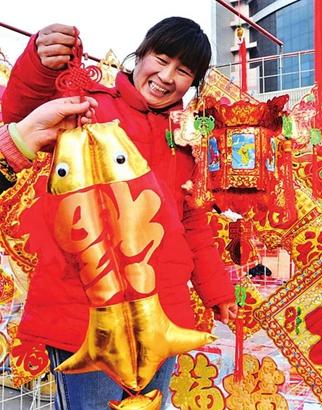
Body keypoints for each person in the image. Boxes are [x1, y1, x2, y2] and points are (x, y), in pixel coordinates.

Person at [0, 17, 236, 409]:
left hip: (161, 310)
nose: (166, 77)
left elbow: (192, 222)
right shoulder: (90, 105)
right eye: (161, 59)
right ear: (140, 55)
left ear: (193, 83)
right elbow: (21, 110)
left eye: (183, 71)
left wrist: (218, 291)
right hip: (83, 310)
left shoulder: (187, 140)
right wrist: (41, 63)